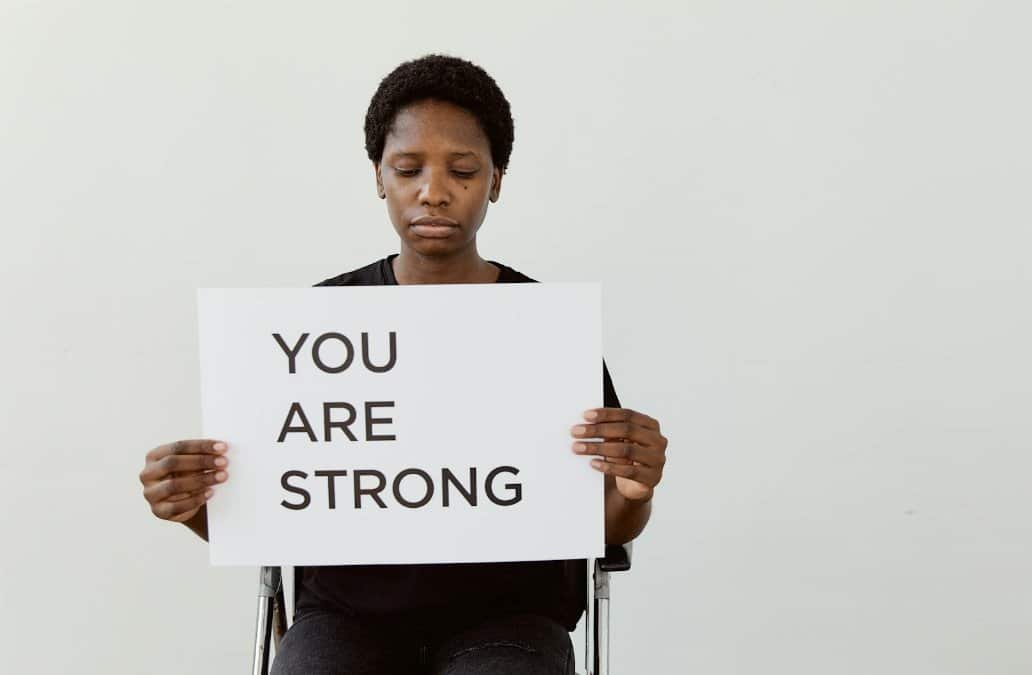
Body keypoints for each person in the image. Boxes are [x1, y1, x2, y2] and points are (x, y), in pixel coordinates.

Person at [138, 54, 670, 674]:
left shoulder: (547, 330)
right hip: (345, 618)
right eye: (408, 168)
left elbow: (607, 524)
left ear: (496, 179)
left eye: (463, 170)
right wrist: (192, 503)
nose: (434, 191)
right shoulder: (318, 324)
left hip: (510, 619)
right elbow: (273, 513)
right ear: (379, 176)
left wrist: (635, 489)